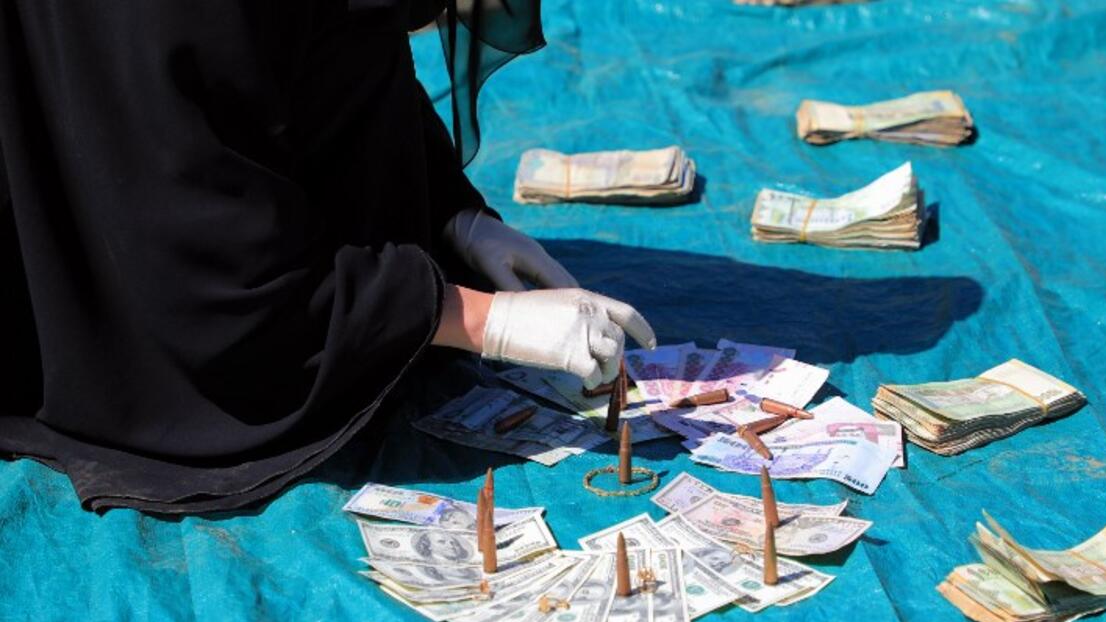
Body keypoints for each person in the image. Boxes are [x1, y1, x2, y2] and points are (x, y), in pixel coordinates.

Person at [0, 0, 654, 514]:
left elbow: (334, 50)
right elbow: (213, 274)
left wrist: (455, 214)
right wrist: (479, 319)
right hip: (134, 321)